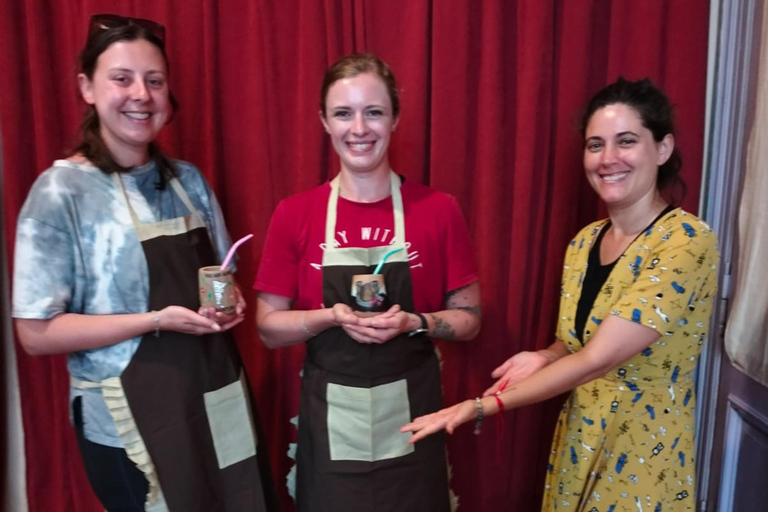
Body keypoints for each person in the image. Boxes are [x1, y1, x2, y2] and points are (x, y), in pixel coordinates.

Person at [402, 78, 719, 512]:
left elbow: (599, 357)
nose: (608, 159)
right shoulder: (584, 242)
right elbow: (573, 343)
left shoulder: (686, 240)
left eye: (626, 142)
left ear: (662, 149)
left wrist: (482, 406)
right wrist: (545, 357)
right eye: (595, 145)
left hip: (645, 445)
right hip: (580, 435)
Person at [12, 14, 275, 512]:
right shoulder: (60, 192)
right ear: (87, 87)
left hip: (214, 397)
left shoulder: (188, 181)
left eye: (154, 81)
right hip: (127, 423)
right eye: (122, 78)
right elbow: (34, 333)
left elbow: (222, 278)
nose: (142, 94)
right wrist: (157, 320)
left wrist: (229, 304)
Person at [255, 53, 481, 512]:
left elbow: (470, 319)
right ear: (324, 121)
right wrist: (328, 317)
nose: (359, 128)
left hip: (414, 417)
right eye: (343, 113)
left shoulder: (439, 210)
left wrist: (414, 321)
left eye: (373, 112)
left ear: (395, 118)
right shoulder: (294, 214)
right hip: (331, 419)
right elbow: (267, 328)